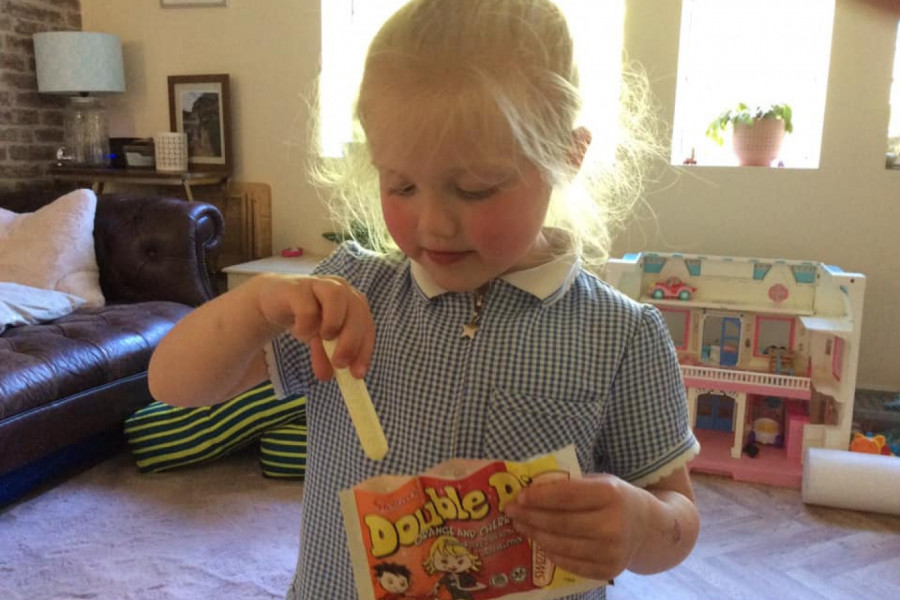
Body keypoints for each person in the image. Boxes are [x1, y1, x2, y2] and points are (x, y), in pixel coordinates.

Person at [148, 1, 700, 599]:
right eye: (401, 185)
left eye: (474, 188)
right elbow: (173, 384)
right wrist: (258, 306)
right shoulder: (347, 300)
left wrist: (641, 524)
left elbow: (678, 513)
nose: (432, 225)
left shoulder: (621, 335)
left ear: (567, 155)